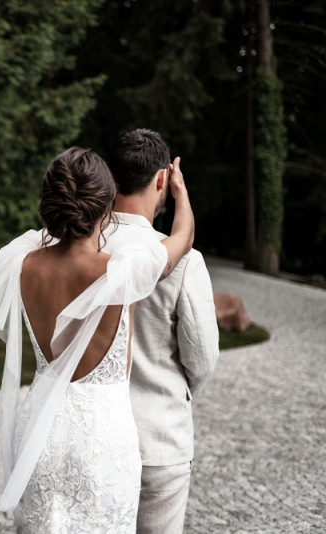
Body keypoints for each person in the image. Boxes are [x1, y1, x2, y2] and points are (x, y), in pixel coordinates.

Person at [0, 146, 195, 532]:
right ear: (105, 207)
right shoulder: (121, 269)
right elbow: (183, 237)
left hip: (37, 434)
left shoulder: (22, 262)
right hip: (101, 436)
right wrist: (178, 191)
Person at [103, 129, 219, 533]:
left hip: (93, 441)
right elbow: (202, 359)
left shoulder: (79, 250)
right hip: (158, 440)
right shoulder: (184, 261)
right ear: (162, 180)